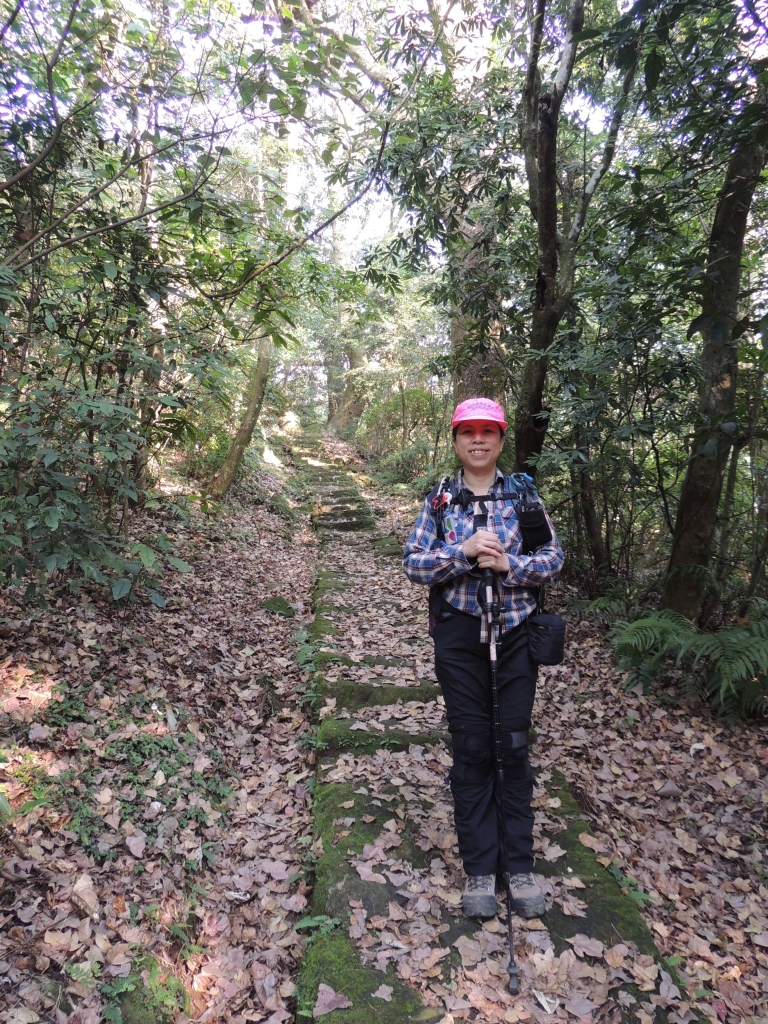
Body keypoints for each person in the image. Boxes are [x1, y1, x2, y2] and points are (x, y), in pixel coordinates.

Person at [403, 398, 564, 919]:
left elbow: (552, 559)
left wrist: (509, 564)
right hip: (459, 634)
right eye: (467, 432)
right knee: (472, 746)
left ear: (500, 439)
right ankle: (479, 868)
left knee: (512, 746)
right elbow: (414, 564)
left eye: (487, 432)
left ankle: (518, 866)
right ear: (455, 439)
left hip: (516, 634)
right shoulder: (441, 500)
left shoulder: (524, 497)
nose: (478, 440)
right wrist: (463, 552)